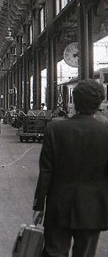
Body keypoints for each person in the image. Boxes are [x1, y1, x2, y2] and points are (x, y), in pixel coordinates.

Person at [33, 79, 108, 257]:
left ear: (74, 101)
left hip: (58, 206)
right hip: (93, 209)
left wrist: (39, 205)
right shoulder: (105, 133)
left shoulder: (54, 129)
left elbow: (46, 172)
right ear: (99, 103)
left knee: (54, 252)